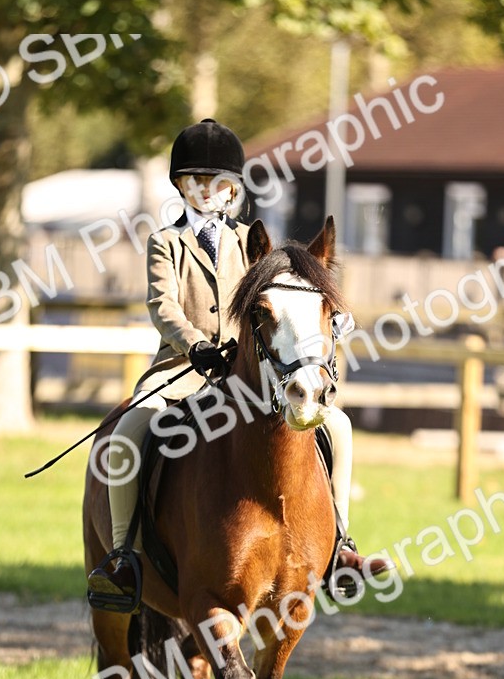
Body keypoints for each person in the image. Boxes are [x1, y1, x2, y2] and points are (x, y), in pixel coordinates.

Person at [87, 118, 386, 610]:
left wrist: (335, 321)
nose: (207, 192)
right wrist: (193, 345)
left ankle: (342, 547)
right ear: (181, 187)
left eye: (219, 184)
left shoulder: (256, 242)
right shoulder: (166, 242)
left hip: (250, 371)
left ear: (233, 190)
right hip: (181, 369)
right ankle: (123, 554)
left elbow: (294, 299)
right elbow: (163, 306)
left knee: (339, 425)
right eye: (196, 183)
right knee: (129, 430)